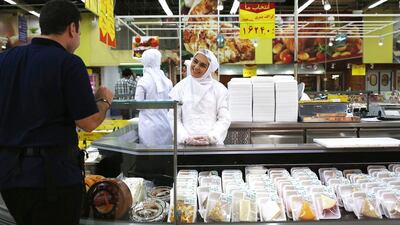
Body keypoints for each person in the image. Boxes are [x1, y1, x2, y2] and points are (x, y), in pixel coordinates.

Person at [0, 1, 113, 225]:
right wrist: (103, 99)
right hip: (52, 179)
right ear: (72, 28)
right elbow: (89, 122)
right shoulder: (69, 63)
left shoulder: (5, 60)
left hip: (10, 176)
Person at [169, 49, 231, 145]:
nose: (196, 67)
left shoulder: (219, 89)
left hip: (212, 147)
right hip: (185, 146)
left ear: (209, 70)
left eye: (202, 65)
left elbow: (224, 118)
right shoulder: (180, 87)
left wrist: (211, 137)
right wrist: (185, 138)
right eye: (195, 61)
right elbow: (173, 117)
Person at [135, 48, 173, 145]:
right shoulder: (167, 81)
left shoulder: (143, 81)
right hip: (165, 124)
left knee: (150, 157)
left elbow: (138, 105)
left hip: (149, 126)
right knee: (165, 155)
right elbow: (171, 104)